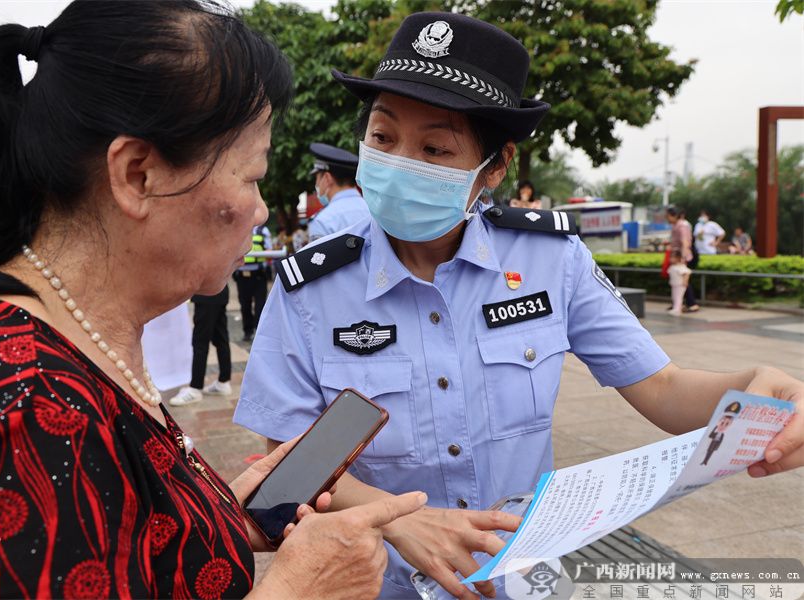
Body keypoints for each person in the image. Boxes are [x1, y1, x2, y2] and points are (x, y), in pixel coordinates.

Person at [233, 12, 804, 599]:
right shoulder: (311, 288)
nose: (400, 161)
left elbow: (661, 386)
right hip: (378, 583)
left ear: (495, 167)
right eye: (382, 137)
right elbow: (291, 453)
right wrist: (399, 519)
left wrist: (758, 387)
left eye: (435, 147)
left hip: (519, 578)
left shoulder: (550, 260)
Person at [0, 2, 429, 598]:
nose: (259, 210)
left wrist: (210, 516)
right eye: (252, 176)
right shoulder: (27, 408)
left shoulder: (73, 341)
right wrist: (299, 588)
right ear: (137, 175)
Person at [170, 287, 233, 406]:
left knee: (200, 343)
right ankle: (223, 382)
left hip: (207, 293)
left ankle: (195, 388)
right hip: (220, 291)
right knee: (220, 338)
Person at [307, 142, 371, 241]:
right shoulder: (374, 212)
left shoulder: (322, 221)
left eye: (317, 178)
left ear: (327, 178)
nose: (316, 184)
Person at [234, 224, 271, 341]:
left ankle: (259, 333)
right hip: (242, 276)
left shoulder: (263, 230)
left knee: (260, 305)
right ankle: (248, 331)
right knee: (245, 305)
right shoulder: (236, 228)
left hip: (258, 275)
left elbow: (269, 250)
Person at [666, 205, 700, 313]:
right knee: (681, 281)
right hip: (680, 256)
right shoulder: (676, 225)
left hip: (685, 256)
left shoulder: (682, 225)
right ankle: (680, 304)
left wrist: (683, 259)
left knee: (683, 281)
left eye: (668, 216)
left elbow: (685, 242)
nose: (667, 218)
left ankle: (692, 304)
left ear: (674, 215)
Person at [667, 252, 692, 316]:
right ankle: (677, 308)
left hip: (680, 285)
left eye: (672, 257)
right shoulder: (673, 266)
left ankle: (677, 309)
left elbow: (686, 273)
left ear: (678, 258)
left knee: (678, 297)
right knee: (674, 297)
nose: (670, 259)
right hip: (675, 284)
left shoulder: (680, 266)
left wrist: (685, 282)